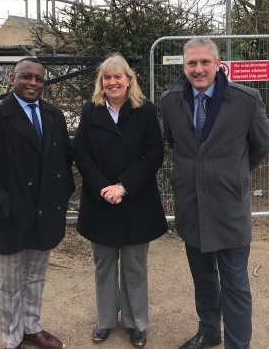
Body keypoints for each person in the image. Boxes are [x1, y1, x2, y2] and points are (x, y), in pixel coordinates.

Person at [161, 38, 269, 349]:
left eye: (204, 62)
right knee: (204, 278)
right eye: (191, 63)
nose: (198, 69)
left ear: (217, 63)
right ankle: (209, 331)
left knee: (235, 284)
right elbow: (176, 143)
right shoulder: (169, 100)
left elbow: (261, 146)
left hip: (229, 208)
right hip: (191, 205)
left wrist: (232, 174)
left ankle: (237, 344)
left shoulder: (246, 100)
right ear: (184, 66)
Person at [0, 57, 75, 349]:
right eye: (26, 76)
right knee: (10, 284)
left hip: (46, 214)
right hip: (12, 216)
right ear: (12, 79)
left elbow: (65, 160)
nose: (33, 82)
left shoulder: (54, 116)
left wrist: (63, 194)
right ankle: (12, 337)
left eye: (39, 78)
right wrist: (5, 206)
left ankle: (32, 326)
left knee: (35, 278)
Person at [73, 54, 167, 348]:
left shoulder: (145, 111)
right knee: (103, 264)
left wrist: (122, 187)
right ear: (102, 82)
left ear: (129, 80)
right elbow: (81, 152)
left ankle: (136, 322)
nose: (112, 82)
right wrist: (104, 187)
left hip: (136, 200)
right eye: (107, 77)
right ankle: (105, 320)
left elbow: (154, 154)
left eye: (118, 77)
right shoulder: (91, 111)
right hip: (100, 201)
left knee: (135, 265)